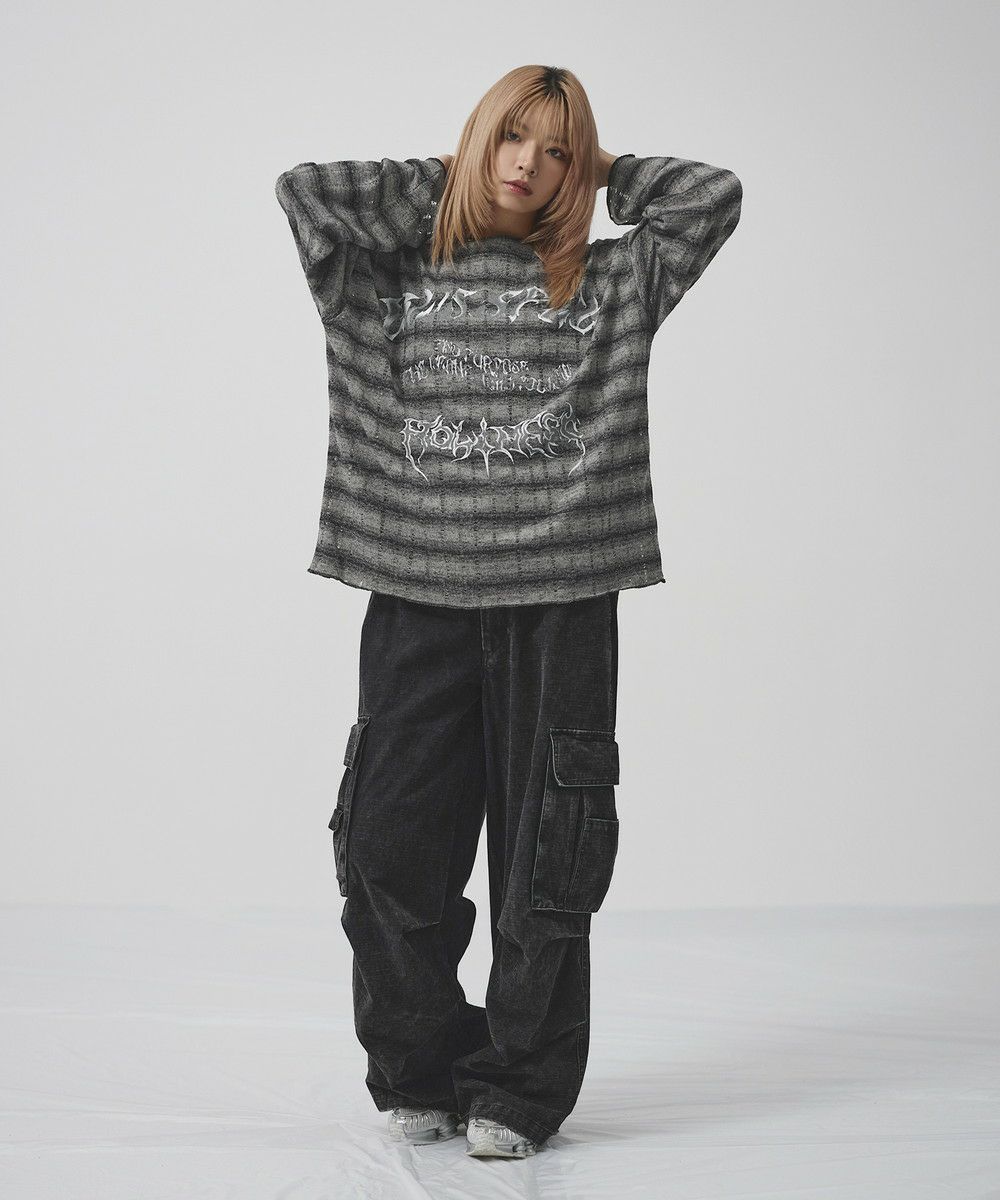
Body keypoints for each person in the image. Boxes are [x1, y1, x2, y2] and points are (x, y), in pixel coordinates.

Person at [274, 63, 742, 1160]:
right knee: (388, 856)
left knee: (548, 862)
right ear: (475, 138)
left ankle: (522, 1088)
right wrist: (453, 179)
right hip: (414, 590)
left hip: (562, 600)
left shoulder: (613, 279)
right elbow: (307, 191)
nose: (530, 164)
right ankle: (421, 1063)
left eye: (555, 150)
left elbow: (710, 197)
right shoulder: (377, 273)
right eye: (511, 139)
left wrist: (604, 170)